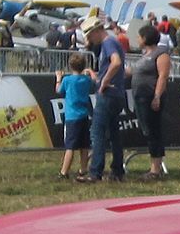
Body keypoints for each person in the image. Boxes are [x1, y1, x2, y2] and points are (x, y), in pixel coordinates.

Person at [81, 15, 127, 183]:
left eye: (89, 35)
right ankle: (117, 170)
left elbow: (116, 62)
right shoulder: (112, 42)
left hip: (108, 93)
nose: (89, 39)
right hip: (116, 93)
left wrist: (104, 82)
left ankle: (95, 172)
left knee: (97, 132)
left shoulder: (108, 43)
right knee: (114, 133)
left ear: (96, 31)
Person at [131, 24, 172, 180]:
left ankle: (155, 169)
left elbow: (163, 76)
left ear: (146, 38)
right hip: (140, 97)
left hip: (150, 97)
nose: (137, 39)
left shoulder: (161, 54)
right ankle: (154, 166)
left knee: (153, 132)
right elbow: (134, 71)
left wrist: (157, 96)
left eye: (139, 36)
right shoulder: (144, 55)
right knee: (148, 131)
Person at [55, 53, 95, 180]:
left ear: (70, 66)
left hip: (72, 117)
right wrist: (91, 72)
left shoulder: (67, 80)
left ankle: (64, 171)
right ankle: (83, 169)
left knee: (70, 146)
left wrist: (58, 78)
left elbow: (58, 90)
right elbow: (93, 83)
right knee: (84, 145)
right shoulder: (86, 80)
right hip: (84, 115)